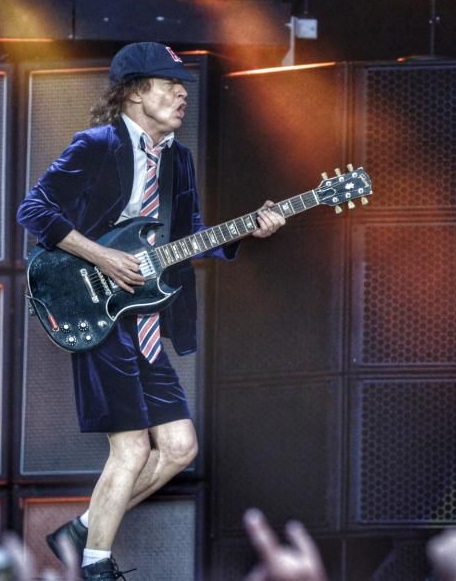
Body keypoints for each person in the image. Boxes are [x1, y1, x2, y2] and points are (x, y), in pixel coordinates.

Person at [17, 41, 285, 580]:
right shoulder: (97, 144)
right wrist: (102, 257)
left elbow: (188, 235)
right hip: (96, 309)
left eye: (182, 86)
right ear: (136, 93)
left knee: (180, 447)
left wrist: (246, 231)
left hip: (145, 318)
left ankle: (81, 530)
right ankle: (95, 567)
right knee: (133, 448)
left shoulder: (177, 159)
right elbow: (34, 208)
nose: (182, 94)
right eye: (169, 85)